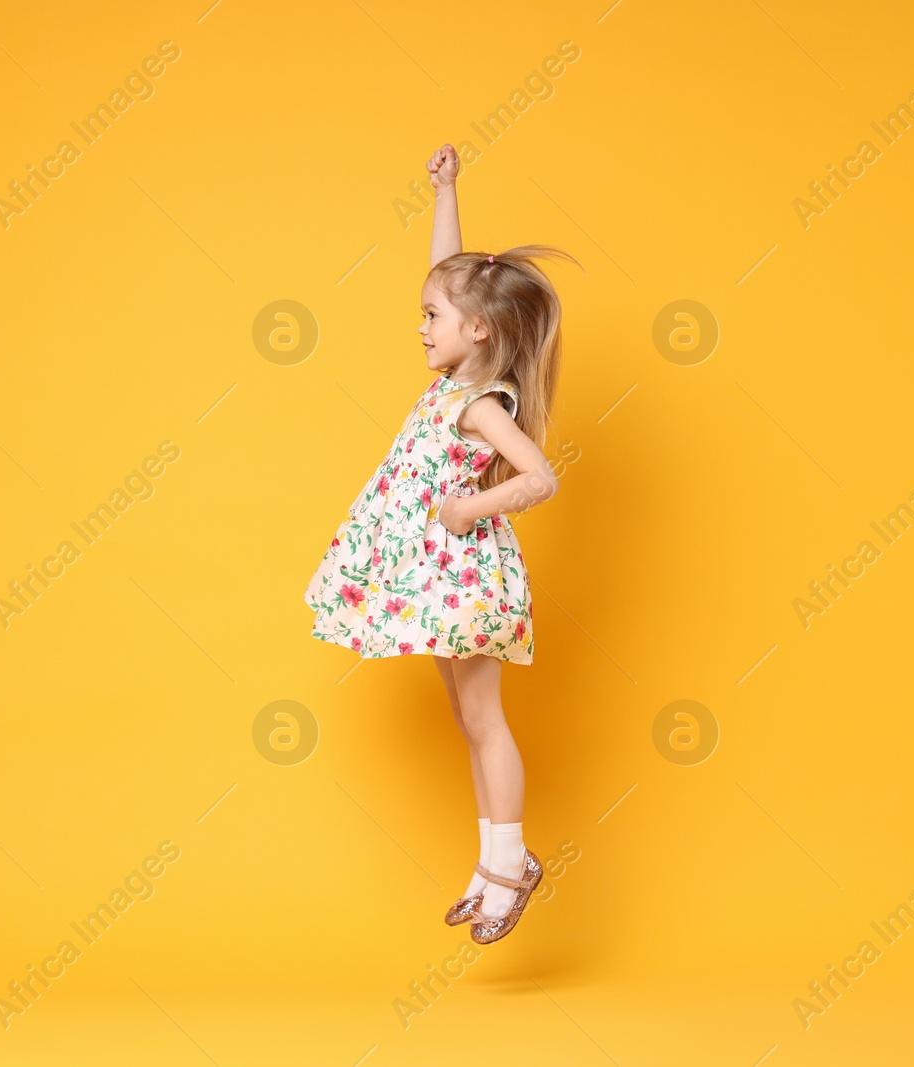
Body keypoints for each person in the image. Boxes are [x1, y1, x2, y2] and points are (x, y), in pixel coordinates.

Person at [302, 143, 577, 944]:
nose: (420, 325)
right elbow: (449, 273)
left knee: (484, 719)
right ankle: (494, 860)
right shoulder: (449, 383)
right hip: (434, 578)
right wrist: (447, 189)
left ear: (476, 330)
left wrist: (469, 509)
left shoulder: (479, 405)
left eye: (432, 317)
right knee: (467, 716)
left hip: (465, 576)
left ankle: (508, 865)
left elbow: (541, 478)